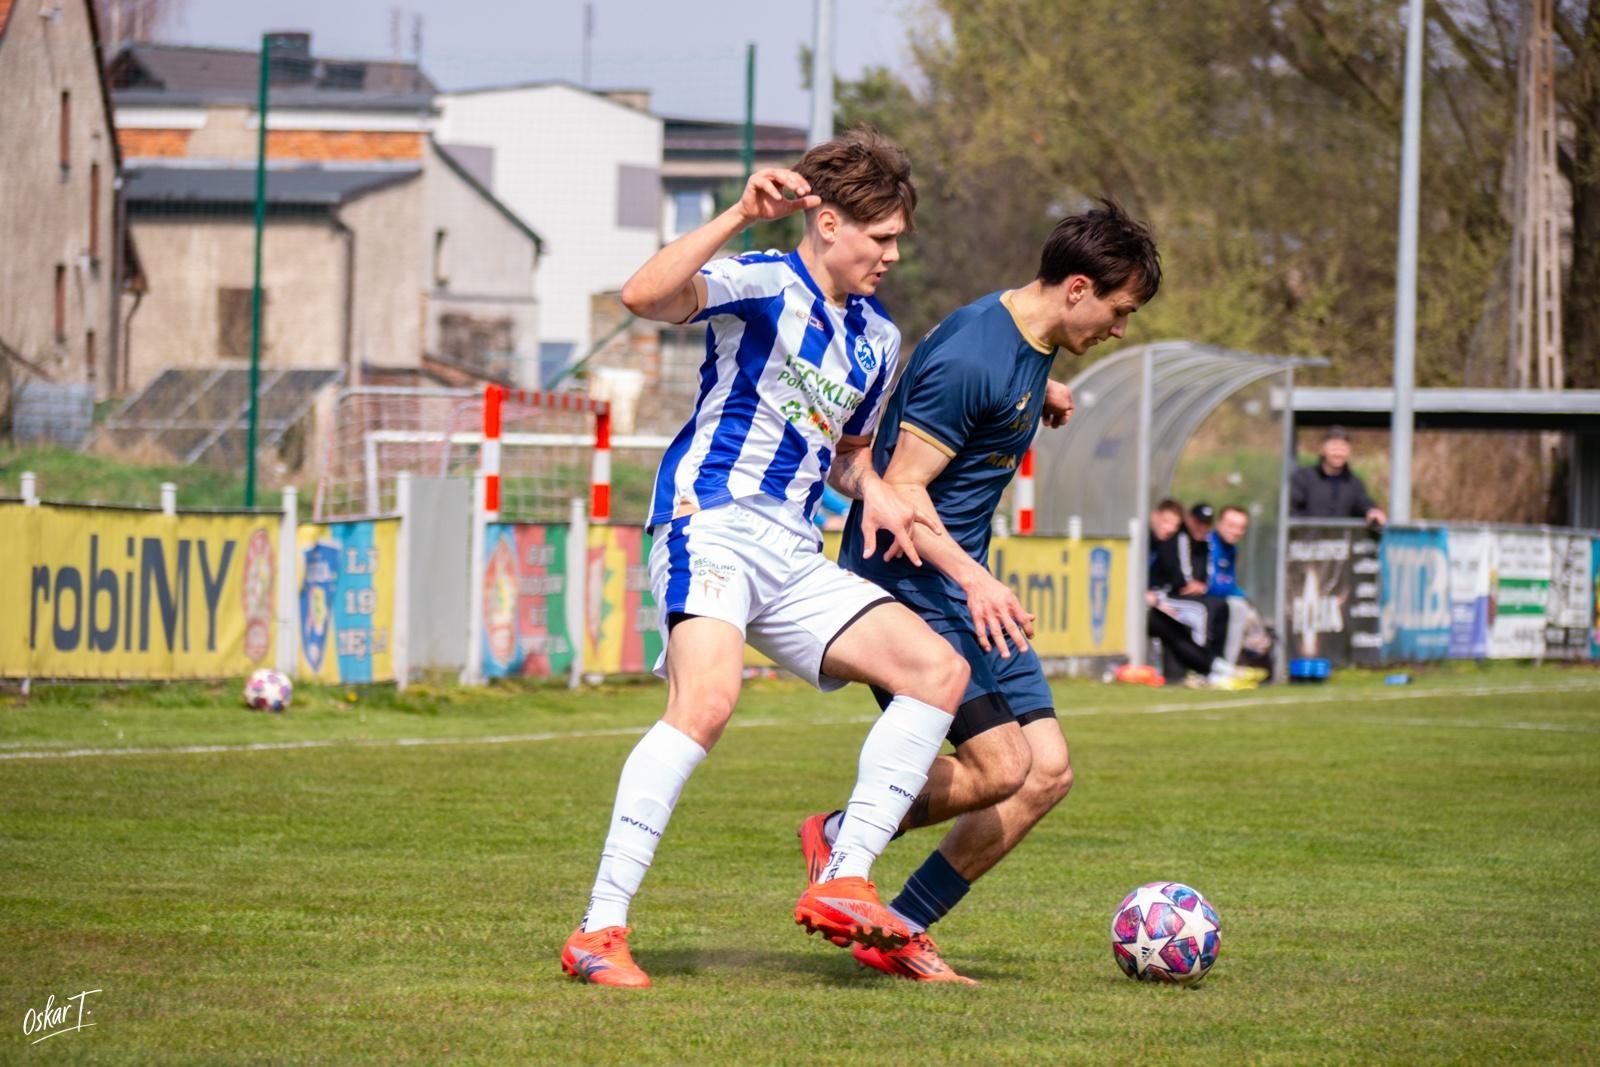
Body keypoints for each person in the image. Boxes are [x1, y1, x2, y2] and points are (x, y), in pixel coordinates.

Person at [561, 128, 973, 989]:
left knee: (937, 669)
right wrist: (735, 215)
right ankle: (599, 929)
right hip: (709, 521)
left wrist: (880, 491)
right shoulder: (760, 282)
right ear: (826, 222)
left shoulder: (878, 340)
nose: (893, 255)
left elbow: (848, 453)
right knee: (707, 701)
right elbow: (642, 295)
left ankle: (845, 873)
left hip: (793, 550)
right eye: (882, 237)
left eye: (899, 239)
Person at [801, 200, 1162, 983]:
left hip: (965, 586)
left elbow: (998, 394)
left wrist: (1041, 401)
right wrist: (976, 580)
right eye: (1118, 311)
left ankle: (893, 927)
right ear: (1076, 287)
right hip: (918, 581)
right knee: (1002, 765)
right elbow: (898, 492)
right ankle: (840, 834)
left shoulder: (1025, 339)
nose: (1119, 330)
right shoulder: (979, 359)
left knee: (1049, 771)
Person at [1289, 426, 1387, 526]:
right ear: (1322, 449)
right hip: (1306, 540)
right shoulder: (1303, 477)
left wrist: (1372, 512)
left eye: (1343, 447)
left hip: (1343, 540)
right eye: (1334, 447)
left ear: (1349, 451)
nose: (1338, 453)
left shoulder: (1354, 483)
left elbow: (1363, 503)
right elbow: (1291, 510)